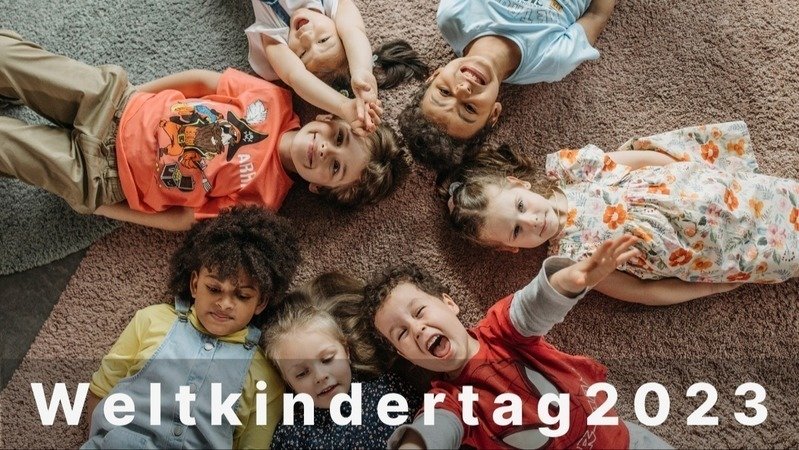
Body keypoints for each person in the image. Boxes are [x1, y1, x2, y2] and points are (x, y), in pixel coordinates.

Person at [0, 30, 404, 231]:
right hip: (113, 104)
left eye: (335, 168)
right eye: (339, 139)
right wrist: (135, 94)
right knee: (12, 57)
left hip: (102, 178)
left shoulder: (264, 203)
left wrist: (100, 207)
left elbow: (183, 219)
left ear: (318, 188)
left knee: (8, 146)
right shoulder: (274, 101)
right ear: (327, 119)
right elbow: (202, 81)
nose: (326, 151)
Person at [364, 235, 672, 449]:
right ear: (406, 355)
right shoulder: (448, 401)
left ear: (449, 303)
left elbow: (531, 306)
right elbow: (435, 428)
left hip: (626, 442)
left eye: (419, 311)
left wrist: (568, 281)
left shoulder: (501, 328)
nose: (417, 328)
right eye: (401, 334)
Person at [444, 121, 798, 304]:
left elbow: (639, 162)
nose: (532, 221)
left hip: (706, 191)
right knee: (782, 253)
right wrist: (706, 290)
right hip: (707, 253)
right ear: (511, 248)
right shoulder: (573, 261)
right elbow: (641, 291)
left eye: (521, 206)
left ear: (519, 184)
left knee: (781, 198)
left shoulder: (573, 172)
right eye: (516, 231)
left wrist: (686, 172)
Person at [82, 205, 301, 449]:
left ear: (260, 303)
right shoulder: (152, 320)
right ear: (195, 284)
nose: (224, 304)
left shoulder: (265, 375)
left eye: (242, 296)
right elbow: (101, 389)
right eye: (214, 289)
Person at [399, 0, 617, 171]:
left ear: (434, 76)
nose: (463, 90)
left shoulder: (454, 15)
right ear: (493, 114)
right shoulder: (552, 61)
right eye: (469, 108)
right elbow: (596, 14)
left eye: (445, 92)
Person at [262, 272, 422, 449]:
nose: (320, 376)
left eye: (327, 359)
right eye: (301, 373)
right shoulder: (291, 433)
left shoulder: (390, 389)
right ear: (288, 382)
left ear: (346, 351)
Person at [246, 0, 428, 132]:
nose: (306, 37)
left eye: (302, 53)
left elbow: (294, 76)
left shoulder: (275, 29)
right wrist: (362, 72)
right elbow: (353, 30)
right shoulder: (329, 5)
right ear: (337, 27)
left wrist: (342, 107)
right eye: (323, 40)